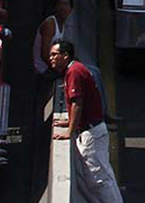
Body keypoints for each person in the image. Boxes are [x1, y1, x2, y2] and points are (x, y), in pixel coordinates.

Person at [50, 40, 123, 203]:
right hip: (90, 130)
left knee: (100, 180)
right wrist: (69, 122)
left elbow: (77, 103)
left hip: (92, 133)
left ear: (65, 56)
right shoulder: (76, 69)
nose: (51, 58)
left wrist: (69, 131)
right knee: (90, 179)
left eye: (55, 54)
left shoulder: (74, 72)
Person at [33, 0, 74, 78]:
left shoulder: (62, 24)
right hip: (43, 69)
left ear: (70, 9)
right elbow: (44, 54)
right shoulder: (50, 24)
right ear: (55, 7)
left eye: (65, 4)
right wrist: (60, 70)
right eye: (60, 4)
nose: (62, 7)